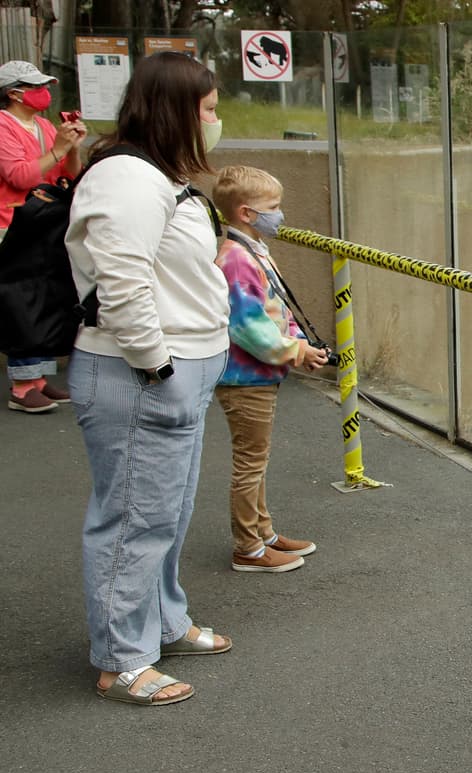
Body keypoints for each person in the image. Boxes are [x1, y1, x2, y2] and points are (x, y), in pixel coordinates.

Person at [64, 52, 232, 707]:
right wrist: (157, 366)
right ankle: (122, 659)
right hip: (141, 374)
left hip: (173, 372)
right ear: (177, 110)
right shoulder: (128, 178)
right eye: (210, 110)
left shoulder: (155, 176)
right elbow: (123, 281)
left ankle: (161, 620)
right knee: (135, 517)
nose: (216, 122)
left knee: (167, 511)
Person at [210, 165, 328, 573]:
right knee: (250, 462)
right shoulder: (238, 260)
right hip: (244, 378)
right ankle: (248, 547)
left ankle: (263, 532)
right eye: (272, 207)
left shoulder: (252, 249)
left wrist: (299, 343)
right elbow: (247, 324)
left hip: (258, 376)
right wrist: (296, 351)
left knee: (256, 458)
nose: (279, 214)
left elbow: (275, 307)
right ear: (245, 212)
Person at [0, 59, 86, 413]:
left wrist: (73, 145)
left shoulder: (43, 126)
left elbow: (71, 173)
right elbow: (20, 177)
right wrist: (59, 150)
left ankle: (37, 378)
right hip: (11, 223)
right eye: (35, 87)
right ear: (14, 93)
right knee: (22, 301)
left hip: (43, 222)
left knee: (46, 298)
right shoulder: (3, 127)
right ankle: (22, 386)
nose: (43, 93)